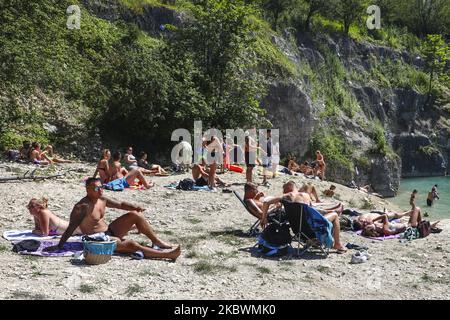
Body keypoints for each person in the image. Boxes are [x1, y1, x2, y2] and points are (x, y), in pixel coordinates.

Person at [44, 178, 181, 260]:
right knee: (131, 244)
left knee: (135, 215)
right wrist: (59, 245)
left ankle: (157, 242)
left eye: (101, 186)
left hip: (109, 230)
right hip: (97, 238)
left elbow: (120, 204)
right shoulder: (82, 207)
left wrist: (135, 206)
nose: (101, 190)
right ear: (88, 189)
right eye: (97, 188)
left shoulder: (102, 199)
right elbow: (71, 228)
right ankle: (168, 255)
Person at [261, 181, 347, 253]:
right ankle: (337, 244)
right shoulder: (305, 196)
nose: (283, 192)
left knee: (325, 214)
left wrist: (263, 218)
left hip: (297, 232)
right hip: (312, 231)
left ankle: (313, 242)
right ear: (294, 187)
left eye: (284, 189)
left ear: (288, 188)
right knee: (335, 215)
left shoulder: (285, 198)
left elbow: (266, 202)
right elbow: (313, 214)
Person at [360, 207, 440, 237]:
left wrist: (366, 224)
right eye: (370, 226)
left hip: (405, 225)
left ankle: (425, 226)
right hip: (409, 226)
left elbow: (365, 228)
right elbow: (384, 216)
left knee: (413, 212)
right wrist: (373, 220)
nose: (371, 224)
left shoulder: (379, 227)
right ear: (373, 229)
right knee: (417, 209)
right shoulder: (385, 230)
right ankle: (425, 227)